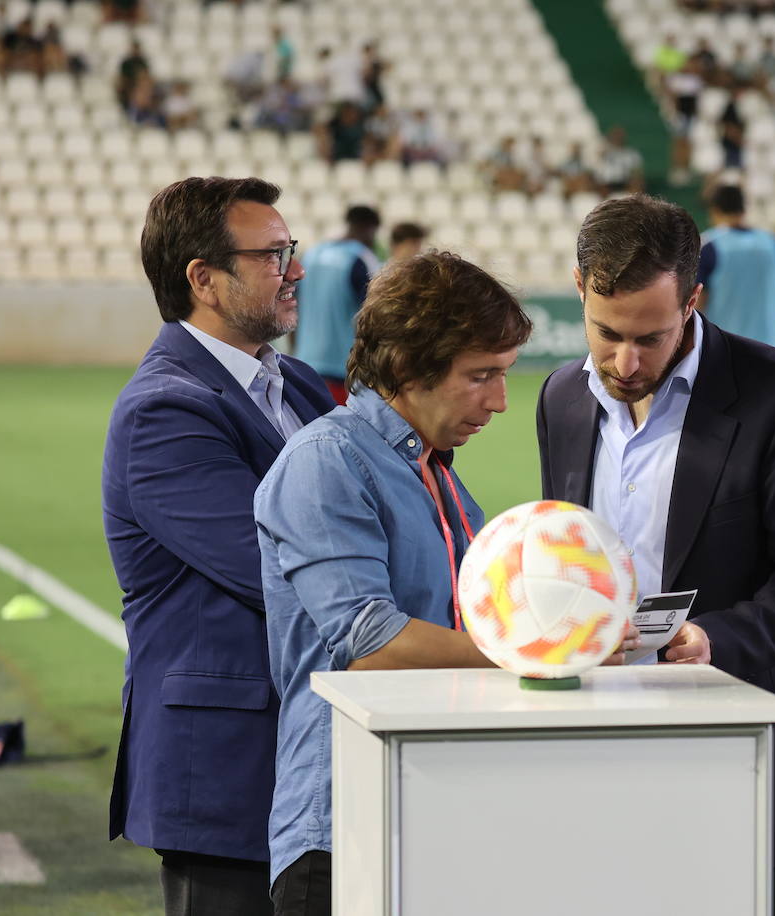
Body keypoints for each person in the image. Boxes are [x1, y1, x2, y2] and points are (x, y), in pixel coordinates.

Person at [536, 195, 775, 916]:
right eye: (606, 333)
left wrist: (711, 638)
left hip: (747, 750)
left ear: (693, 300)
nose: (626, 360)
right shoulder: (560, 397)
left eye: (650, 336)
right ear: (579, 286)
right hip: (602, 748)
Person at [255, 252, 564, 915]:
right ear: (403, 366)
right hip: (344, 829)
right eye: (481, 376)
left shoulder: (441, 474)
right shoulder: (326, 462)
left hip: (433, 805)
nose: (501, 401)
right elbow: (370, 641)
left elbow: (470, 621)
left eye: (503, 376)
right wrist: (539, 650)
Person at [102, 177, 335, 916]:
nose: (295, 269)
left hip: (311, 756)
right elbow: (282, 573)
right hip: (229, 775)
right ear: (202, 279)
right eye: (273, 256)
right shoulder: (164, 411)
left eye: (289, 250)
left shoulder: (292, 381)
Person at [293, 205, 383, 405]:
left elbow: (293, 305)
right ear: (371, 229)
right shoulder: (361, 257)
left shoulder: (312, 254)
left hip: (305, 364)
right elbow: (375, 316)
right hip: (344, 369)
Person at [697, 185, 775, 349]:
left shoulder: (709, 247)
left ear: (715, 210)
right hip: (771, 350)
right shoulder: (774, 244)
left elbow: (697, 305)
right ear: (744, 208)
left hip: (725, 352)